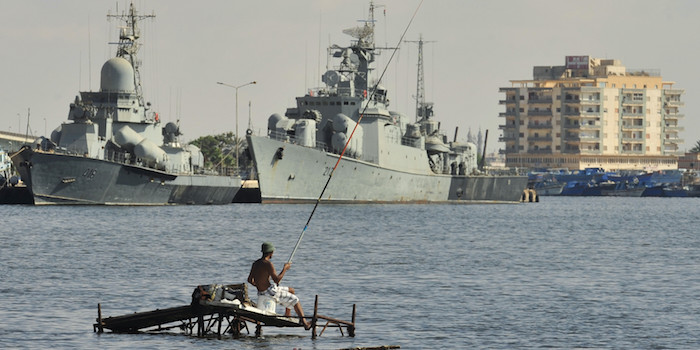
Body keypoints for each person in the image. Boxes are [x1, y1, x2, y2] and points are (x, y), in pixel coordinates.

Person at [247, 242, 311, 330]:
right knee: (295, 300)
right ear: (271, 253)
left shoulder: (256, 263)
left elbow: (250, 280)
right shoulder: (268, 264)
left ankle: (287, 314)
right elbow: (277, 280)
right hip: (270, 292)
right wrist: (285, 269)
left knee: (291, 290)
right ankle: (305, 324)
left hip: (264, 291)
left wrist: (259, 285)